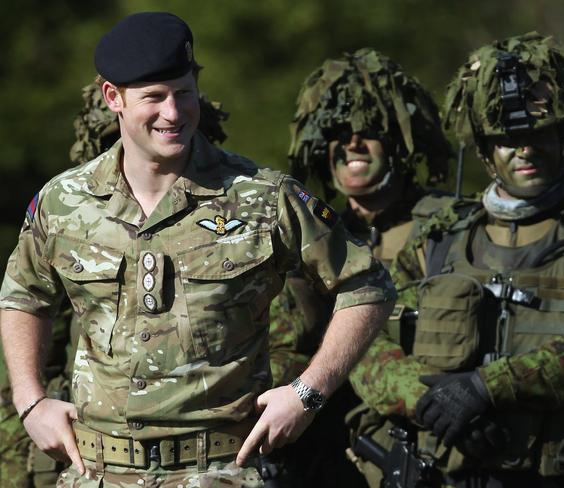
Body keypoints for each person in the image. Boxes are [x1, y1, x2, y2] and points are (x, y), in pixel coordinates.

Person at [0, 12, 395, 488]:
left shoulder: (262, 197)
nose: (173, 113)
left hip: (222, 470)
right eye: (154, 97)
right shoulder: (64, 202)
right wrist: (31, 400)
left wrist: (309, 392)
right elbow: (24, 296)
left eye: (183, 92)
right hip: (97, 472)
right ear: (113, 98)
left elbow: (367, 285)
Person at [350, 32, 564, 487]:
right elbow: (365, 338)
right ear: (487, 153)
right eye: (507, 139)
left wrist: (484, 388)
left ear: (562, 136)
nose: (525, 149)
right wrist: (430, 402)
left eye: (538, 133)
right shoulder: (440, 237)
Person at [267, 47, 452, 487]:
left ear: (399, 140)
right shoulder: (311, 236)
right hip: (332, 457)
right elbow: (284, 347)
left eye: (370, 130)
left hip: (435, 449)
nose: (352, 143)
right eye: (337, 132)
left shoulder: (451, 227)